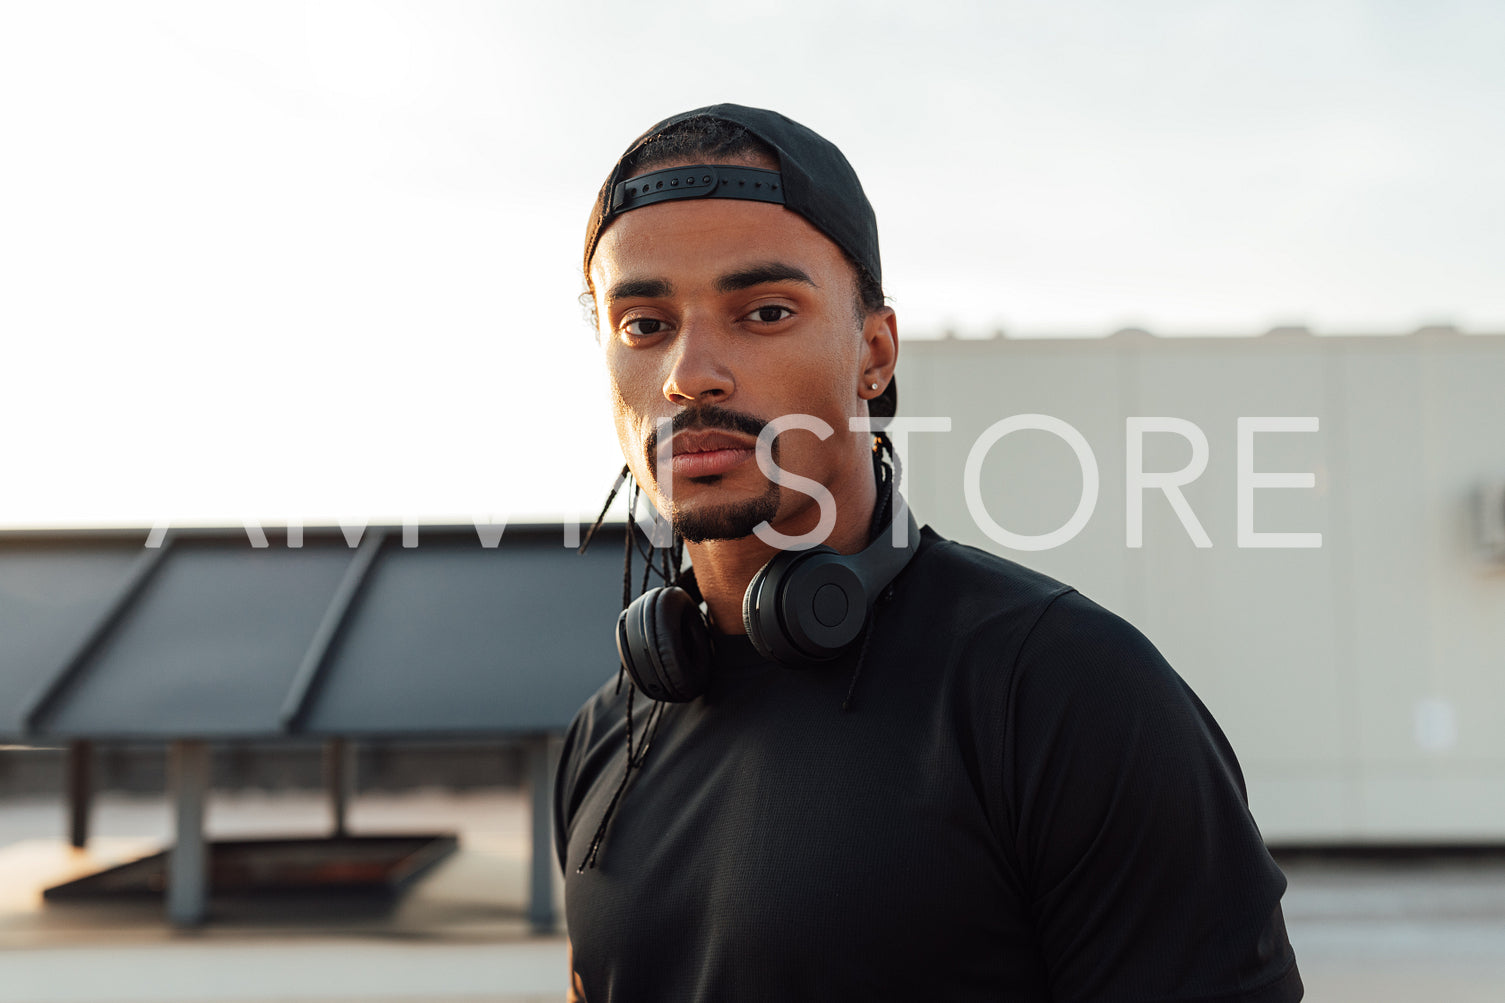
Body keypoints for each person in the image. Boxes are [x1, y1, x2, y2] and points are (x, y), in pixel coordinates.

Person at [553, 103, 1303, 1002]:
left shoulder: (1067, 692)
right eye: (643, 324)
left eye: (763, 310)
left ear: (873, 353)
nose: (690, 371)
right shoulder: (609, 730)